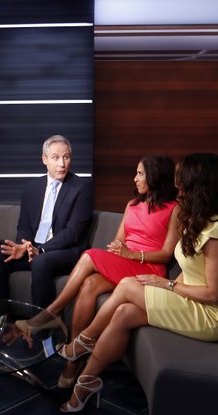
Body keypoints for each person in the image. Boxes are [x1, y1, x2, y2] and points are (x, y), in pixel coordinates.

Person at [59, 152, 218, 413]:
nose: (177, 185)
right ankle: (87, 380)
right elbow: (192, 271)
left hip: (212, 316)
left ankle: (83, 341)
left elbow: (215, 294)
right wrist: (170, 285)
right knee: (124, 312)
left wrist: (167, 285)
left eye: (183, 181)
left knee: (125, 285)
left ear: (199, 186)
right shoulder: (198, 220)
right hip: (190, 298)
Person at [15, 155, 180, 389]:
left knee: (89, 255)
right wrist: (117, 251)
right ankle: (74, 363)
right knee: (90, 285)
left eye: (140, 174)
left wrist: (132, 255)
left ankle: (51, 313)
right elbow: (118, 241)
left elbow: (165, 254)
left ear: (155, 176)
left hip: (148, 268)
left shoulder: (174, 209)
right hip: (125, 264)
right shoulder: (132, 205)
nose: (135, 178)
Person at [0, 135, 93, 308]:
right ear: (44, 159)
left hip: (65, 251)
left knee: (41, 261)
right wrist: (24, 245)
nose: (62, 164)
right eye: (55, 158)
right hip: (33, 247)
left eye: (66, 157)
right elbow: (24, 225)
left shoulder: (81, 187)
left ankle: (42, 329)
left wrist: (41, 250)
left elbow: (73, 232)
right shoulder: (31, 188)